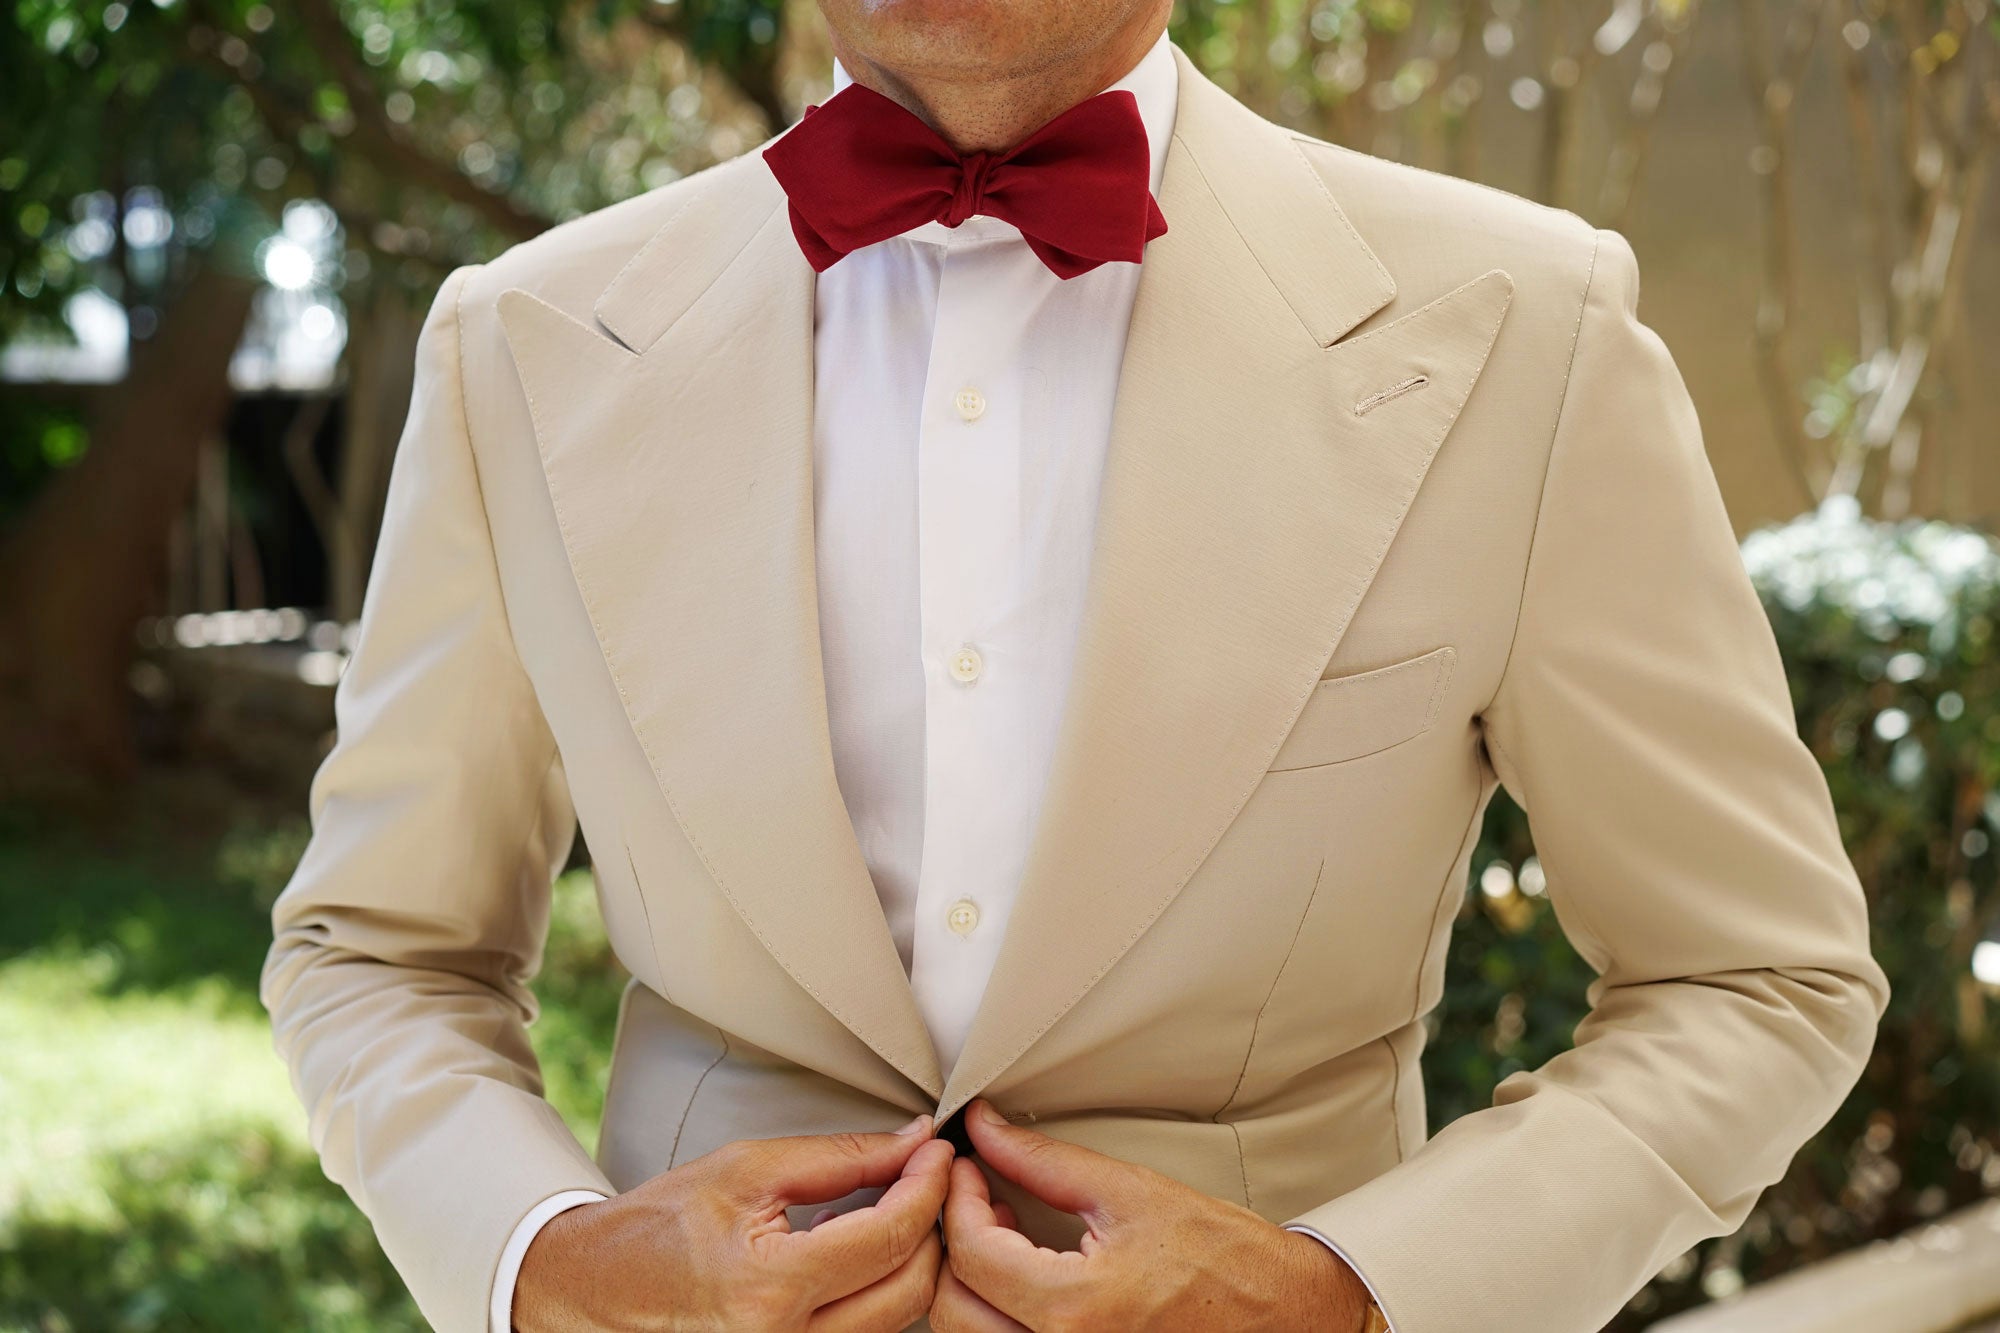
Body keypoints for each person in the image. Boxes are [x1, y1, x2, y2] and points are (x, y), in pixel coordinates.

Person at [260, 0, 1890, 1328]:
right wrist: (543, 1256)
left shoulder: (1531, 333)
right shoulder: (524, 344)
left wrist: (1358, 1293)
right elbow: (378, 952)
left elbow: (1754, 977)